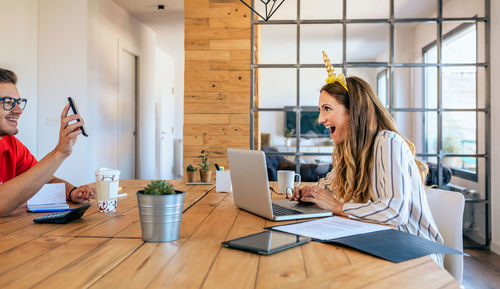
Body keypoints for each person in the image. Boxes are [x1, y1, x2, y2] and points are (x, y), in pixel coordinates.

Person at [291, 52, 444, 266]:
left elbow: (393, 211)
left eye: (327, 109)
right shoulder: (351, 150)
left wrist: (338, 206)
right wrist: (310, 192)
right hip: (378, 243)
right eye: (320, 110)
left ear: (354, 112)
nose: (321, 119)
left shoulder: (387, 142)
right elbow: (329, 187)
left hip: (415, 255)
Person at [0, 68, 95, 216]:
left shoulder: (11, 144)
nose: (19, 110)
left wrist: (72, 192)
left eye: (18, 102)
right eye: (8, 102)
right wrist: (60, 152)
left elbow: (43, 179)